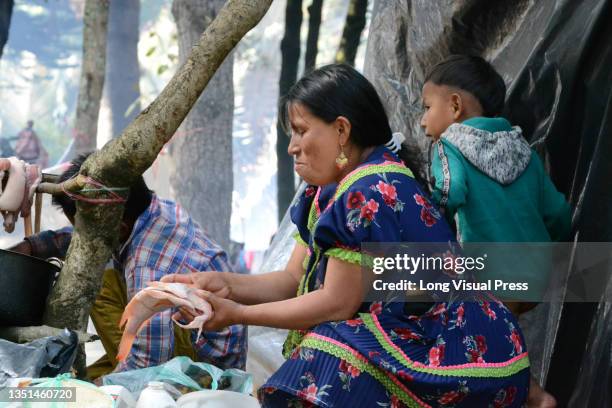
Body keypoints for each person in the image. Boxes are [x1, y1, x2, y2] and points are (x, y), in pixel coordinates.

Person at [164, 64, 530, 407]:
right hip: (465, 344)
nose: (292, 146)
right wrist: (224, 284)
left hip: (462, 355)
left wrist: (238, 313)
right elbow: (293, 279)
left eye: (301, 130)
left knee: (330, 351)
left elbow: (336, 302)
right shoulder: (330, 191)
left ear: (341, 130)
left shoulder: (366, 191)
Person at [9, 153, 246, 378]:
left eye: (83, 229)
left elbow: (150, 362)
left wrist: (100, 392)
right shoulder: (145, 211)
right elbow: (87, 236)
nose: (81, 234)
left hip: (203, 370)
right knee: (98, 268)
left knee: (97, 278)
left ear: (119, 227)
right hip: (178, 337)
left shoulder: (148, 264)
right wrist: (29, 248)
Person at [421, 55, 570, 408]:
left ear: (454, 106)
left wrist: (424, 215)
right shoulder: (524, 150)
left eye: (427, 107)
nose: (424, 120)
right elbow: (559, 212)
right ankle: (529, 395)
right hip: (532, 272)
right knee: (500, 340)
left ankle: (534, 396)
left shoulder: (447, 146)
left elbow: (449, 191)